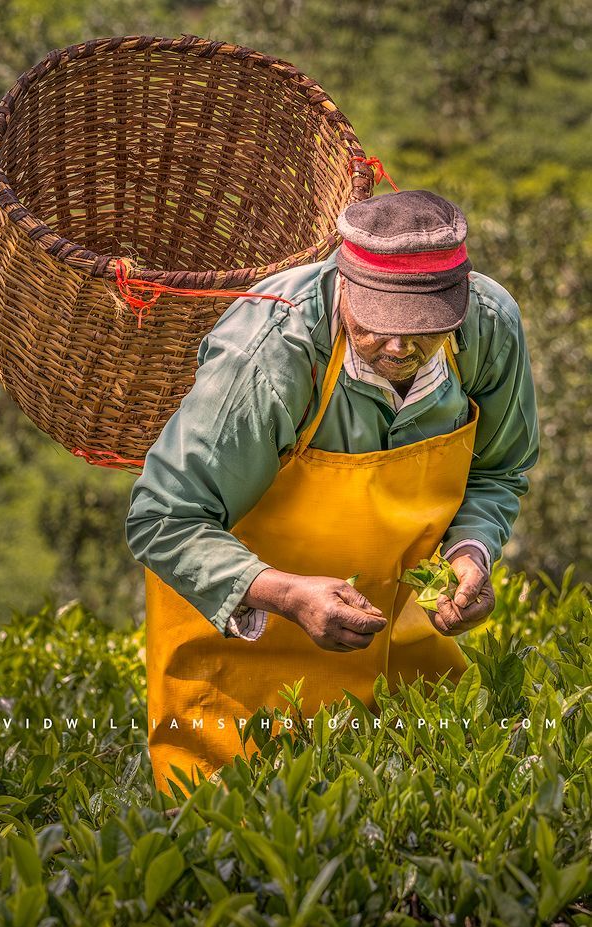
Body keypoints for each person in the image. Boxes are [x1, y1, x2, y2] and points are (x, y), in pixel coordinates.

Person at [125, 189, 539, 795]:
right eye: (382, 327)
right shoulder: (272, 356)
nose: (402, 348)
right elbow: (161, 517)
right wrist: (286, 595)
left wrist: (470, 553)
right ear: (346, 289)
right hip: (242, 664)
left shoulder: (488, 326)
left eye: (424, 330)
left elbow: (500, 470)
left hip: (398, 647)